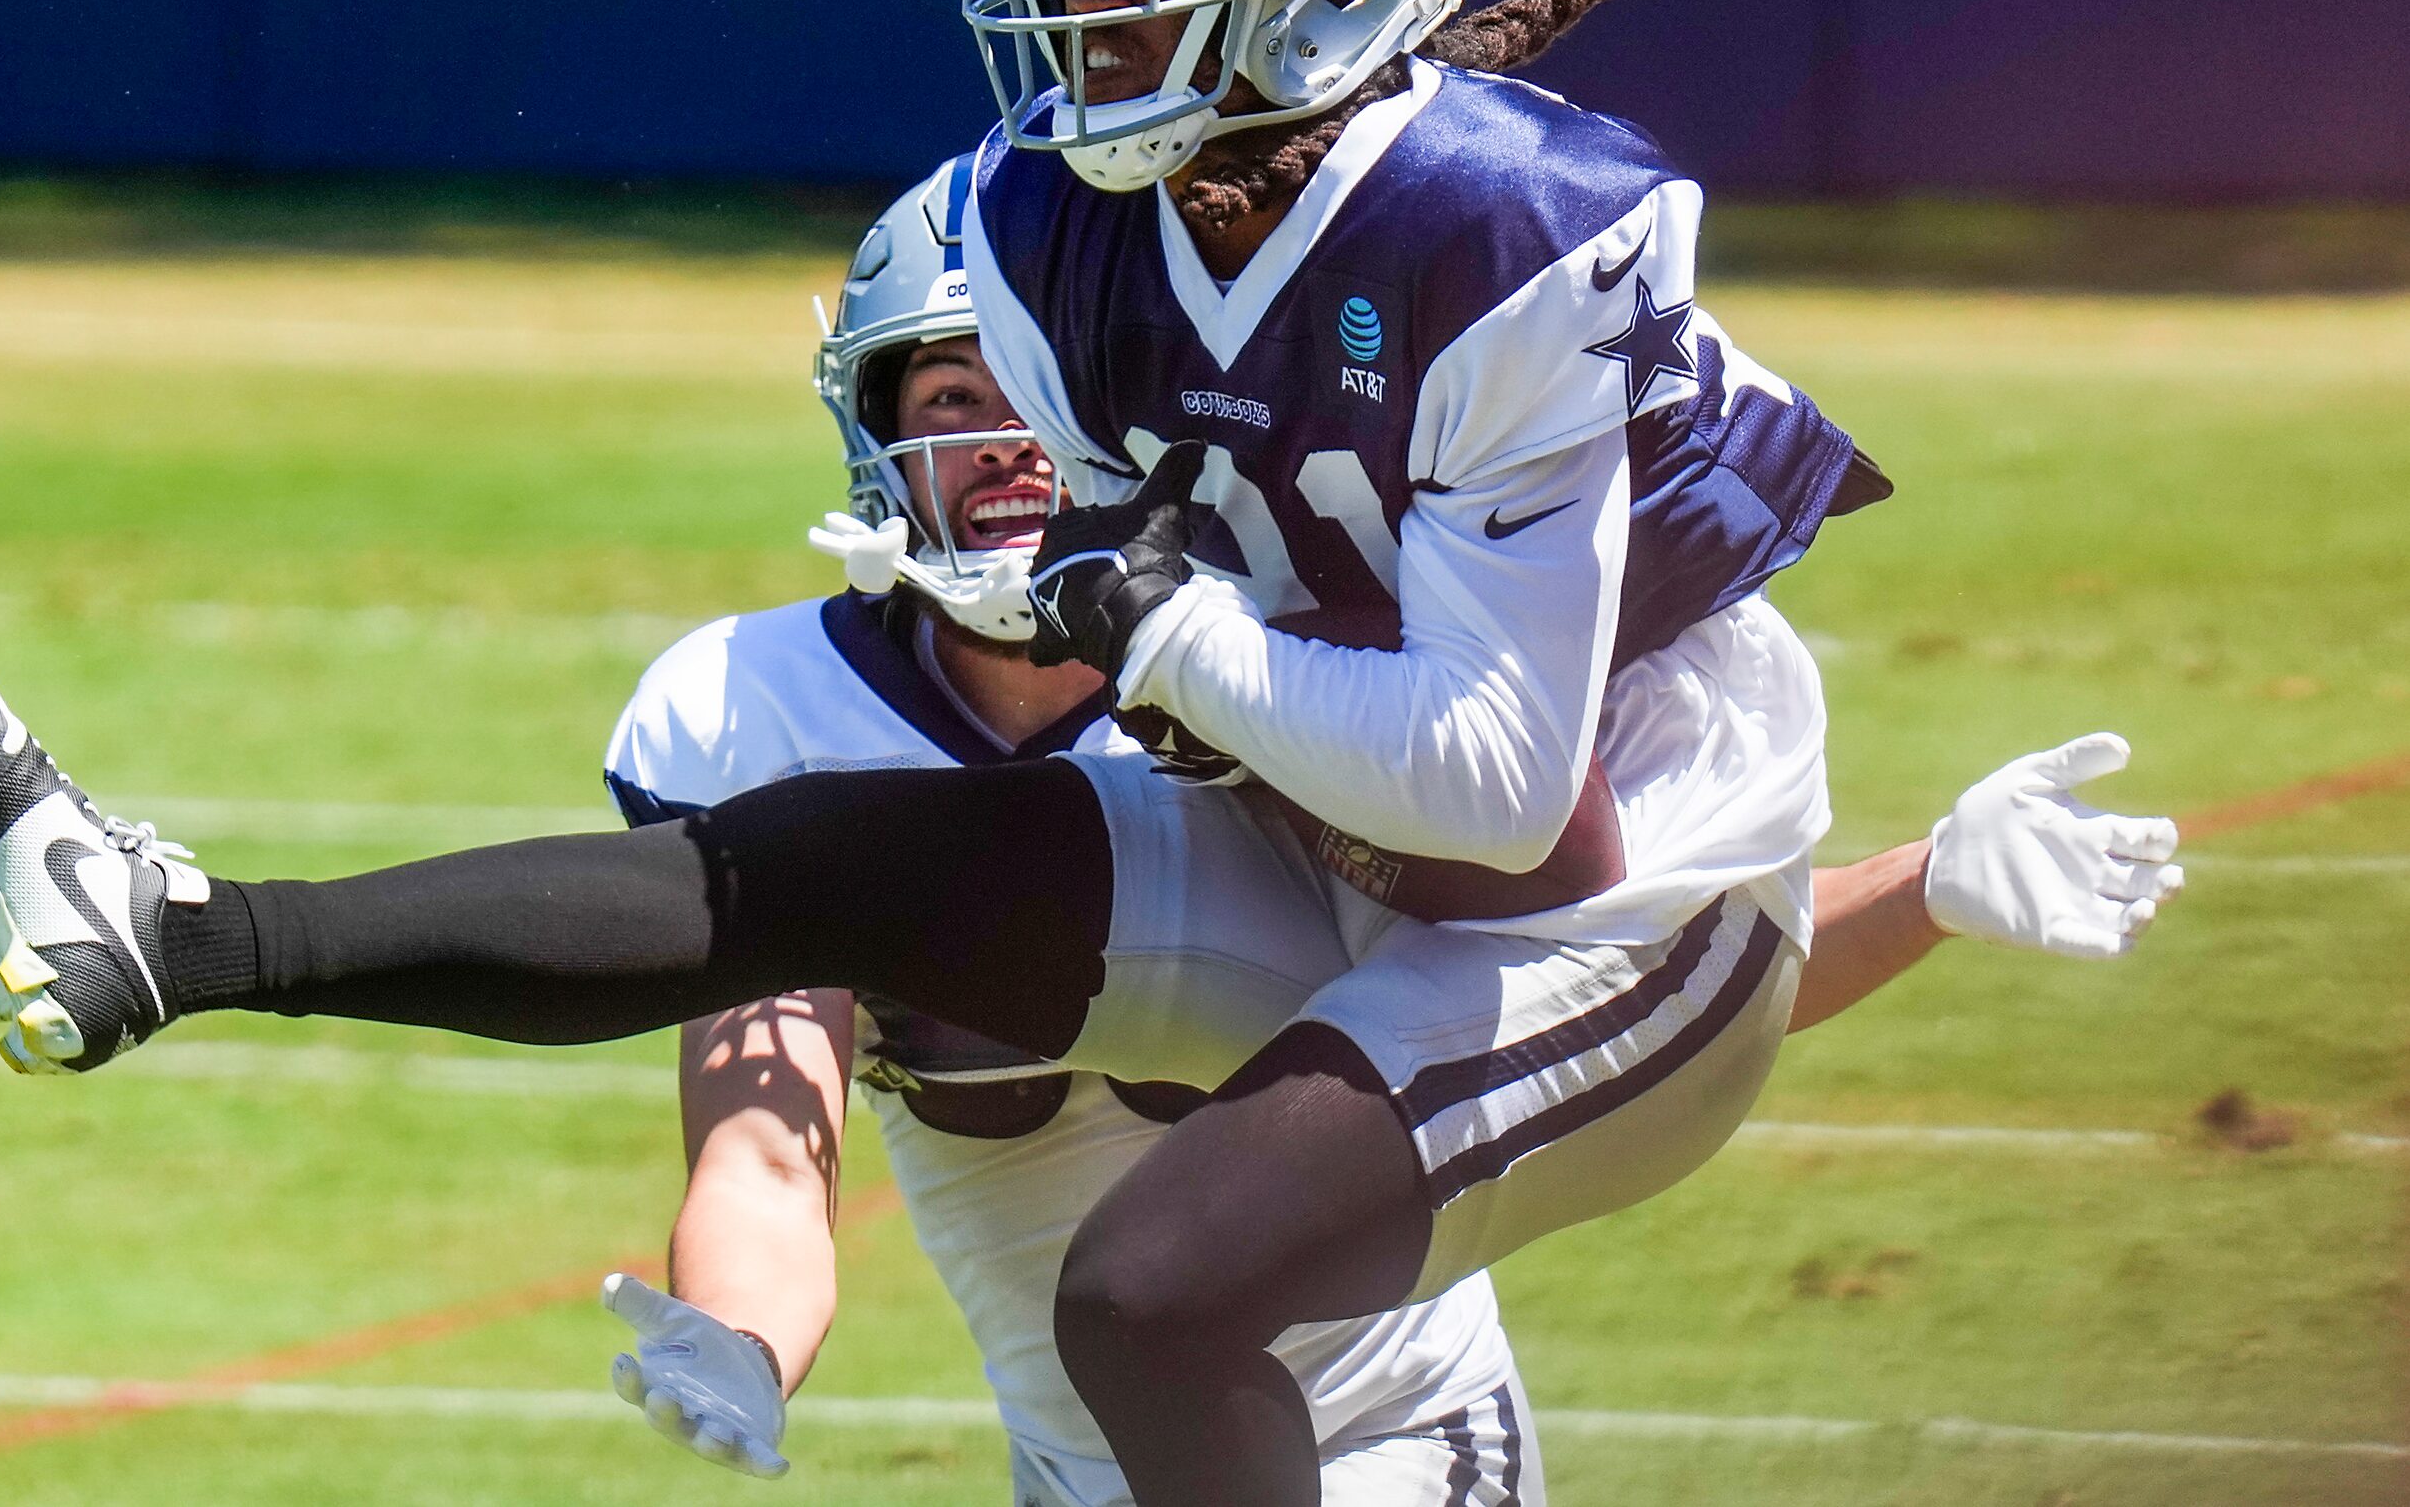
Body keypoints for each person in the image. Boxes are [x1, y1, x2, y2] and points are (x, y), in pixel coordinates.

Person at [0, 0, 2182, 1504]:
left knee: (1148, 1289)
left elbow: (1496, 795)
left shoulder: (1507, 232)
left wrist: (1142, 620)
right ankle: (170, 932)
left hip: (1613, 896)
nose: (1083, 2)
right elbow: (773, 1034)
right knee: (826, 864)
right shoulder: (1039, 233)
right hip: (1327, 899)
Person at [591, 164, 2181, 1501]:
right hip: (1083, 1468)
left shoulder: (1304, 663)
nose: (1003, 443)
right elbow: (761, 1140)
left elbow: (1591, 1004)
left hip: (1392, 1447)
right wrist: (741, 1328)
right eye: (947, 393)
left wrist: (1927, 887)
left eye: (1033, 393)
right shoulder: (768, 711)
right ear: (870, 427)